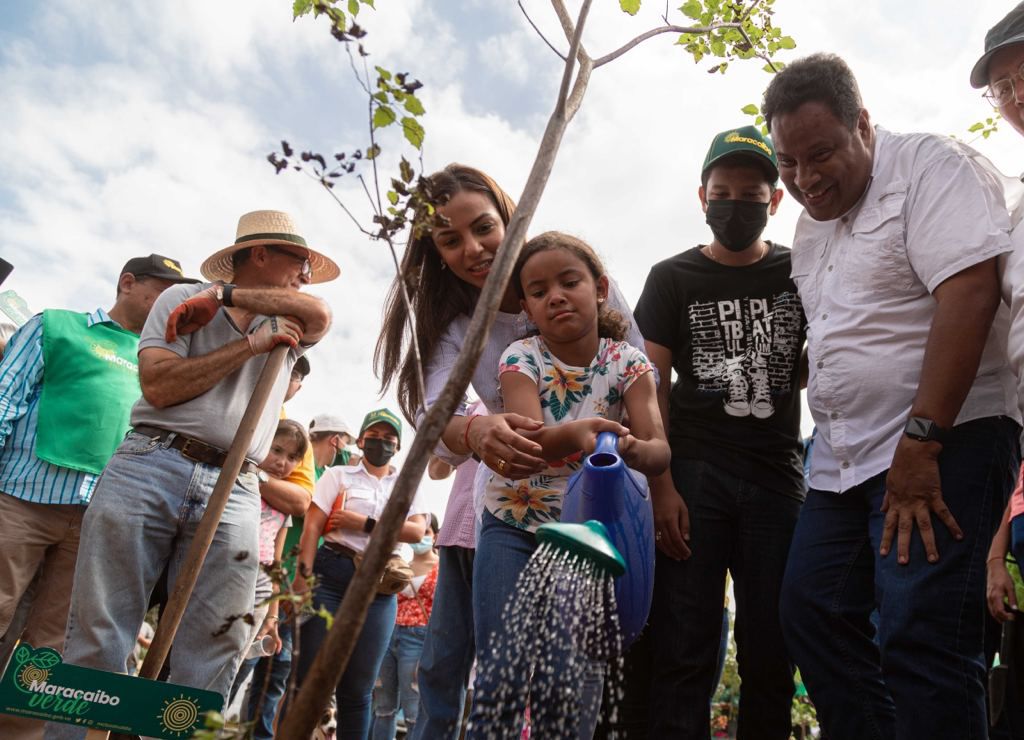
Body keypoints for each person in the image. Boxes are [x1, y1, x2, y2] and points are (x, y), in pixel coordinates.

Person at [764, 54, 1020, 740]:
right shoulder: (811, 226)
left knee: (922, 633)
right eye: (788, 162)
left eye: (820, 154)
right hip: (842, 462)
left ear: (864, 126)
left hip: (946, 440)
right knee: (811, 612)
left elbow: (969, 293)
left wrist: (923, 439)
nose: (805, 178)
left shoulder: (932, 168)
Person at [45, 210, 334, 740]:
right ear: (261, 254)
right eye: (299, 262)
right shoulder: (179, 302)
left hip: (238, 484)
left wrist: (227, 299)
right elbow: (159, 387)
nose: (305, 275)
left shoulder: (291, 317)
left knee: (219, 639)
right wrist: (248, 344)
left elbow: (318, 313)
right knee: (101, 626)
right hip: (152, 462)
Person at [633, 125, 805, 739]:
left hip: (780, 482)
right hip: (695, 477)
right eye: (723, 191)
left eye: (752, 193)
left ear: (775, 200)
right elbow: (646, 390)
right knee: (684, 643)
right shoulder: (671, 277)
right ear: (702, 198)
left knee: (771, 650)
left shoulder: (801, 268)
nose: (736, 205)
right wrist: (663, 487)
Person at [467, 231, 670, 739]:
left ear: (600, 288)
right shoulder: (521, 358)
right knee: (501, 668)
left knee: (573, 674)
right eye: (538, 291)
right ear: (527, 308)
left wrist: (636, 452)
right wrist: (581, 432)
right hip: (513, 523)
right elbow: (529, 439)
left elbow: (659, 448)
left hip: (587, 537)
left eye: (569, 281)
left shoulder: (629, 362)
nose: (555, 295)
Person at [0, 253, 196, 740]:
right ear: (127, 284)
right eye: (159, 288)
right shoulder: (58, 325)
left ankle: (17, 733)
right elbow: (5, 397)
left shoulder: (160, 360)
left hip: (100, 516)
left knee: (51, 644)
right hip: (23, 496)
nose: (169, 300)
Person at [291, 408, 429, 739]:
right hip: (331, 577)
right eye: (374, 437)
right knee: (307, 680)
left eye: (388, 439)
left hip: (379, 591)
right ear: (362, 440)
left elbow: (417, 531)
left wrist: (363, 523)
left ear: (397, 446)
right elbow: (312, 526)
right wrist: (303, 577)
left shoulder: (407, 484)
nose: (380, 443)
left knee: (358, 689)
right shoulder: (338, 476)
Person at [227, 419, 308, 715]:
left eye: (292, 458)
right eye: (276, 450)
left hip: (260, 587)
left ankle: (209, 721)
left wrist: (272, 617)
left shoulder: (284, 508)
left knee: (235, 661)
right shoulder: (239, 483)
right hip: (226, 570)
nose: (282, 462)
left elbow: (276, 560)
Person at [412, 404, 484, 740]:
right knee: (440, 663)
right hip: (457, 537)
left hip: (505, 536)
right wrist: (465, 431)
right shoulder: (471, 404)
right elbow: (437, 470)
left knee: (495, 671)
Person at [371, 512, 441, 740]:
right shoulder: (402, 566)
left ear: (435, 536)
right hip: (390, 634)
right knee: (383, 706)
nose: (422, 537)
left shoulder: (443, 568)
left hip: (419, 637)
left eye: (427, 533)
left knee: (413, 710)